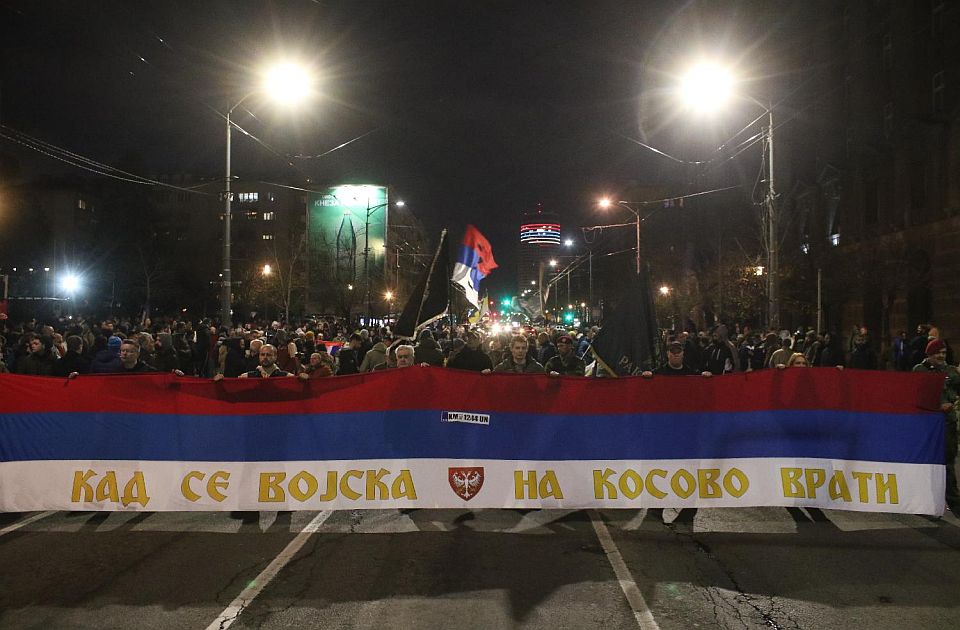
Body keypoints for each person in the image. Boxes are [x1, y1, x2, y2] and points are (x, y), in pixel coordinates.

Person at [913, 338, 960, 513]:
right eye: (938, 353)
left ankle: (954, 502)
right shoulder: (920, 370)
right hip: (928, 425)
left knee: (948, 463)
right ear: (929, 354)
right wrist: (937, 407)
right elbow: (916, 396)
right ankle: (924, 501)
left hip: (947, 424)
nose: (941, 356)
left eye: (944, 353)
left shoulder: (951, 371)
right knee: (927, 464)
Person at [644, 341, 712, 377]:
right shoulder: (659, 372)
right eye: (673, 351)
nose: (676, 354)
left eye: (678, 351)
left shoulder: (692, 373)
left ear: (683, 354)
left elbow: (701, 378)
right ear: (668, 354)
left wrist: (705, 375)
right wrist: (647, 375)